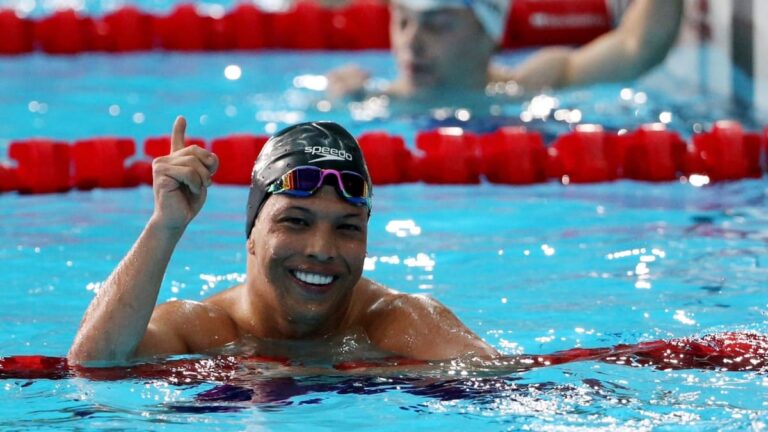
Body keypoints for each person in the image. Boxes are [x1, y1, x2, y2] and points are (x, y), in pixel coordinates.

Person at [67, 117, 498, 366]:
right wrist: (166, 225)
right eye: (296, 221)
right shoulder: (205, 329)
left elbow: (499, 387)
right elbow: (93, 362)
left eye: (347, 227)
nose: (322, 249)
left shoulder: (396, 322)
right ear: (251, 233)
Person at [325, 0, 684, 100]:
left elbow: (638, 48)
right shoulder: (365, 99)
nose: (410, 43)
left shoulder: (533, 85)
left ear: (489, 33)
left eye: (437, 25)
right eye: (402, 21)